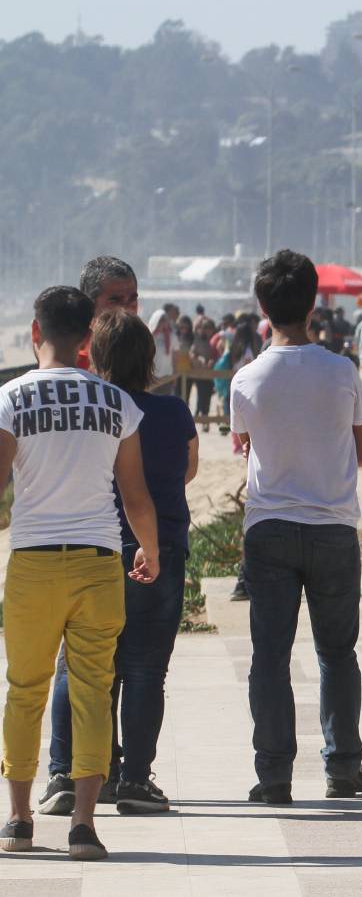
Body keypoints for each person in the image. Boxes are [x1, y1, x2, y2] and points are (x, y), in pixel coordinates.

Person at [0, 287, 160, 861]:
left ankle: (18, 821)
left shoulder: (11, 398)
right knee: (93, 692)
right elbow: (135, 495)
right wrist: (152, 551)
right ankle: (85, 827)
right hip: (98, 562)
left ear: (35, 332)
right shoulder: (117, 402)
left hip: (35, 563)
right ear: (88, 340)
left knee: (25, 689)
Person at [231, 250, 362, 805]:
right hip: (333, 526)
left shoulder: (246, 379)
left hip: (268, 526)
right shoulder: (341, 371)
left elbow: (246, 444)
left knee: (270, 655)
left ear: (262, 307)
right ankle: (342, 765)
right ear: (314, 303)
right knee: (337, 652)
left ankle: (273, 776)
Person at [59, 311, 197, 816]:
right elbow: (189, 469)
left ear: (97, 359)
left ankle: (79, 774)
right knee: (145, 669)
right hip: (160, 544)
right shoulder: (173, 411)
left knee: (89, 670)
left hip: (96, 546)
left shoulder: (93, 407)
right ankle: (137, 779)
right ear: (149, 359)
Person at [190, 317, 219, 432]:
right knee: (202, 396)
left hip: (213, 374)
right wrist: (199, 359)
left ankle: (203, 420)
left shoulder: (216, 339)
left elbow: (219, 354)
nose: (206, 330)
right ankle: (201, 421)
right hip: (200, 373)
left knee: (207, 397)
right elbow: (193, 352)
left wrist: (213, 361)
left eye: (208, 328)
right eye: (204, 328)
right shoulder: (198, 339)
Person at [148, 309, 177, 395]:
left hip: (167, 376)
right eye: (161, 320)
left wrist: (174, 374)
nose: (163, 323)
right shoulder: (149, 336)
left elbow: (175, 356)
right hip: (152, 376)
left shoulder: (172, 336)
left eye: (165, 320)